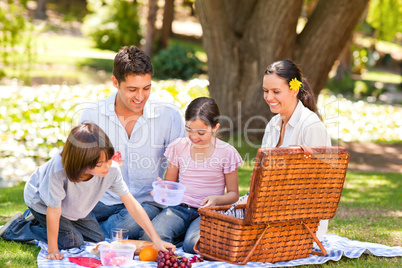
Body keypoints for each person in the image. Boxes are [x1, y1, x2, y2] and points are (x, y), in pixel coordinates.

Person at [0, 123, 174, 260]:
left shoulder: (111, 169)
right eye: (100, 164)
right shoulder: (58, 172)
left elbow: (131, 204)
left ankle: (41, 222)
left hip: (73, 204)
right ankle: (17, 228)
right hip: (43, 203)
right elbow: (54, 210)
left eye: (108, 159)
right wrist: (53, 250)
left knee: (97, 239)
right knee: (72, 241)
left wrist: (156, 240)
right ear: (81, 162)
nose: (107, 166)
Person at [78, 46, 185, 240]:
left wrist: (168, 186)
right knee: (67, 211)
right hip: (101, 200)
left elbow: (183, 163)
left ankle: (82, 231)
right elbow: (79, 165)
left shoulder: (169, 115)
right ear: (115, 82)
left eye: (146, 88)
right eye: (132, 89)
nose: (140, 97)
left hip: (146, 202)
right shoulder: (92, 115)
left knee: (129, 224)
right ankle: (83, 229)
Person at [140, 97, 243, 253]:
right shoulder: (178, 147)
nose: (194, 137)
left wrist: (217, 199)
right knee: (150, 238)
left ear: (215, 127)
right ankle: (180, 234)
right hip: (179, 209)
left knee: (193, 245)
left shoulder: (227, 152)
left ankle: (183, 237)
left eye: (201, 132)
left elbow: (234, 195)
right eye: (189, 130)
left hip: (208, 213)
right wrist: (162, 190)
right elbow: (170, 184)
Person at [262, 59, 331, 241]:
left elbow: (319, 184)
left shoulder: (310, 126)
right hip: (271, 209)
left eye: (276, 92)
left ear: (293, 90)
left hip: (301, 221)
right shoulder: (273, 124)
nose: (269, 97)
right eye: (266, 91)